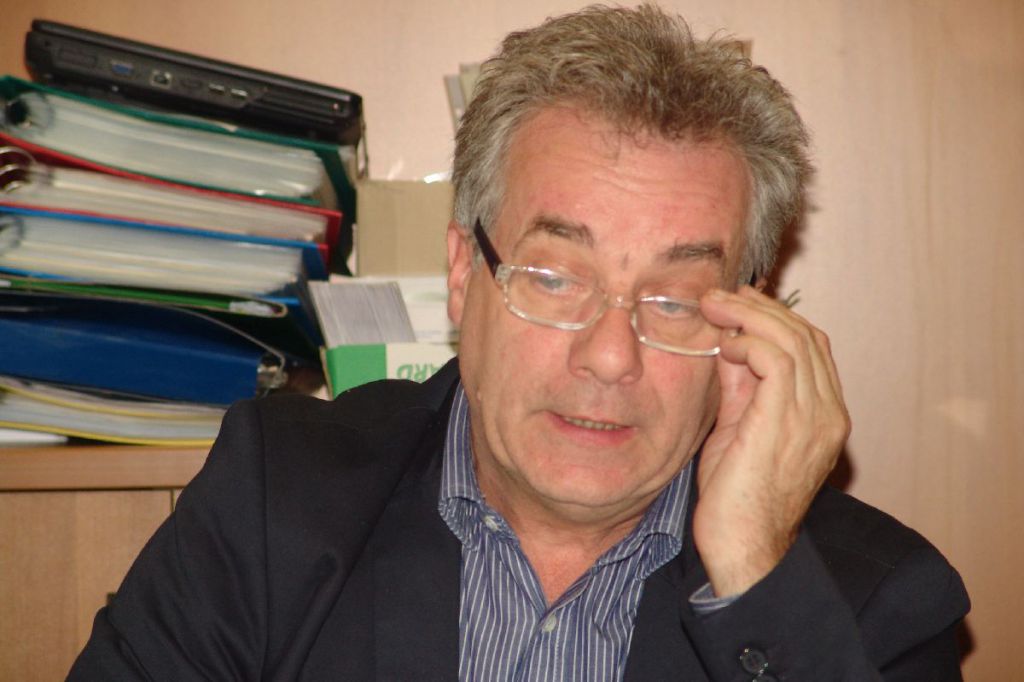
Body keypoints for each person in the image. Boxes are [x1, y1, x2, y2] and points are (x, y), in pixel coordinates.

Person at [70, 5, 969, 680]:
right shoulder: (277, 496)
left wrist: (753, 579)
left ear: (747, 325)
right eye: (555, 277)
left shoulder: (877, 601)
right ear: (466, 273)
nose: (609, 357)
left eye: (676, 299)